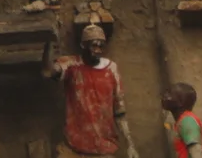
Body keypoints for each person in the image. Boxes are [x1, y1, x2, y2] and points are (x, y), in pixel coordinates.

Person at [45, 24, 137, 157]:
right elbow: (49, 71)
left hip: (103, 148)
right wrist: (48, 43)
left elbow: (120, 111)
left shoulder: (111, 69)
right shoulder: (72, 65)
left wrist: (130, 146)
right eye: (94, 45)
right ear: (83, 45)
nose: (98, 50)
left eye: (101, 46)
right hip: (75, 147)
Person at [163, 83, 202, 157]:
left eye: (170, 94)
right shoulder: (182, 120)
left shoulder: (187, 121)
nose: (165, 97)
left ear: (180, 102)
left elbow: (197, 153)